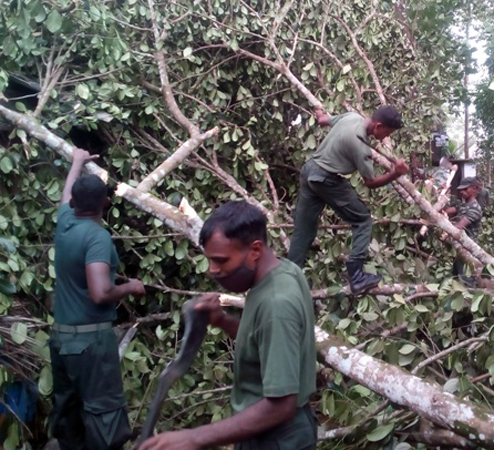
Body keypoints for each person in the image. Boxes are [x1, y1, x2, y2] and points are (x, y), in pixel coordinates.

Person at [139, 201, 317, 450]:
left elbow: (281, 404)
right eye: (210, 260)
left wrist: (193, 438)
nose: (213, 270)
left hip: (277, 437)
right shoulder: (284, 271)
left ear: (255, 250)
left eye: (221, 261)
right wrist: (222, 321)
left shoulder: (277, 304)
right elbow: (263, 342)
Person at [50, 148, 145, 450]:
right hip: (91, 342)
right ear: (106, 203)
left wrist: (77, 162)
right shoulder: (96, 237)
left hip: (61, 337)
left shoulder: (65, 221)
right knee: (104, 417)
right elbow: (101, 292)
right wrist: (131, 286)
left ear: (75, 203)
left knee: (68, 415)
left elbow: (65, 194)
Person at [287, 105, 409, 294]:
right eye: (387, 132)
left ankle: (290, 279)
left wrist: (319, 112)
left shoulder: (351, 117)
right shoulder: (360, 145)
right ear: (377, 126)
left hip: (309, 171)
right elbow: (370, 182)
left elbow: (322, 120)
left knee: (303, 230)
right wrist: (396, 174)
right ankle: (357, 276)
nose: (386, 138)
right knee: (363, 219)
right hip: (326, 179)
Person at [443, 177, 483, 285]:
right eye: (461, 189)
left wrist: (443, 225)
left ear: (474, 189)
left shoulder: (475, 208)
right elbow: (445, 210)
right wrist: (442, 195)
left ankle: (469, 300)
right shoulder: (462, 205)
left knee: (467, 282)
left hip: (468, 251)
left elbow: (459, 227)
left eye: (465, 189)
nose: (462, 191)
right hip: (458, 247)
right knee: (456, 279)